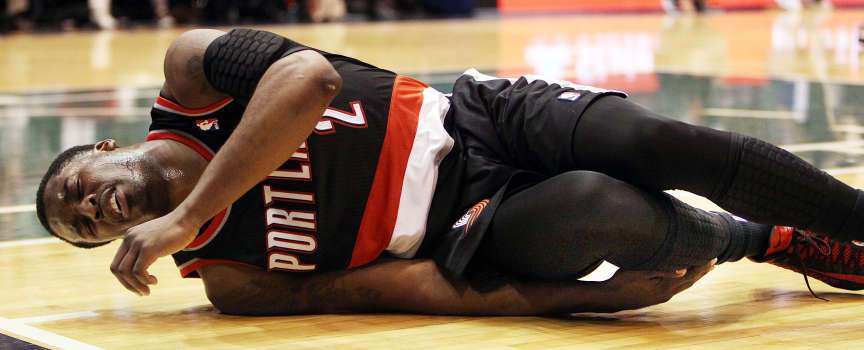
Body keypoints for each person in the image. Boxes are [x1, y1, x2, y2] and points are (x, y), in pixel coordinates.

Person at [36, 28, 864, 316]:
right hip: (468, 224)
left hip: (474, 116)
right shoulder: (228, 277)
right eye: (81, 228)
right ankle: (765, 238)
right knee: (601, 208)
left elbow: (309, 79)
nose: (88, 211)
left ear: (103, 149)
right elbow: (406, 287)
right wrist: (589, 299)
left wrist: (185, 213)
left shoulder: (192, 77)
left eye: (74, 189)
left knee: (649, 141)